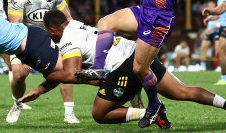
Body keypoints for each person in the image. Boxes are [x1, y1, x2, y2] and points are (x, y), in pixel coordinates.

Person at [19, 9, 226, 129]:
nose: (51, 38)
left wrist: (40, 89)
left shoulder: (66, 40)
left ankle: (151, 111)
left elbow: (70, 73)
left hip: (122, 68)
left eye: (50, 34)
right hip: (136, 51)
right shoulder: (75, 24)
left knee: (99, 114)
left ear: (52, 29)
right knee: (182, 91)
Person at [76, 0, 181, 128]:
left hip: (158, 18)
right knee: (106, 22)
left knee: (140, 69)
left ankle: (154, 106)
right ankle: (98, 69)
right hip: (146, 10)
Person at [6, 0, 79, 124]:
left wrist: (71, 41)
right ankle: (17, 103)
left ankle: (69, 113)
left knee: (66, 69)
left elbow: (67, 18)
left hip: (51, 38)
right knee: (18, 73)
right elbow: (15, 28)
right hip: (24, 40)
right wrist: (26, 54)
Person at [202, 0, 226, 85]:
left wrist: (211, 11)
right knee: (220, 53)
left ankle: (224, 79)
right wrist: (210, 18)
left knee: (220, 52)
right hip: (223, 26)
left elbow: (222, 7)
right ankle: (224, 78)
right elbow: (220, 13)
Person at [200, 1, 220, 71]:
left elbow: (219, 24)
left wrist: (210, 30)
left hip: (217, 33)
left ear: (215, 5)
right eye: (209, 5)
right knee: (203, 47)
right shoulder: (208, 14)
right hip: (210, 34)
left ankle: (219, 66)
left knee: (218, 50)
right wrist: (204, 32)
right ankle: (202, 65)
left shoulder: (218, 12)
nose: (210, 6)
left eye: (211, 5)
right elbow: (208, 26)